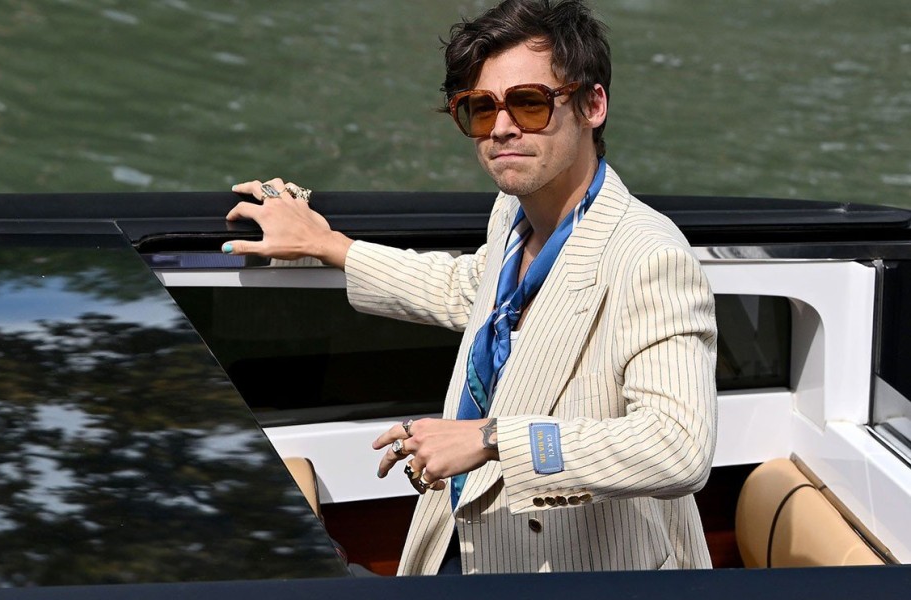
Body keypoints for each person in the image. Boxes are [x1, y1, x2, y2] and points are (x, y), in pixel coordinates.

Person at [222, 0, 717, 576]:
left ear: (593, 105)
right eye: (479, 109)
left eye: (530, 103)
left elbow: (678, 446)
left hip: (576, 574)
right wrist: (330, 245)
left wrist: (492, 439)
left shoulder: (648, 255)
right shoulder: (513, 210)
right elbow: (474, 288)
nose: (502, 127)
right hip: (472, 537)